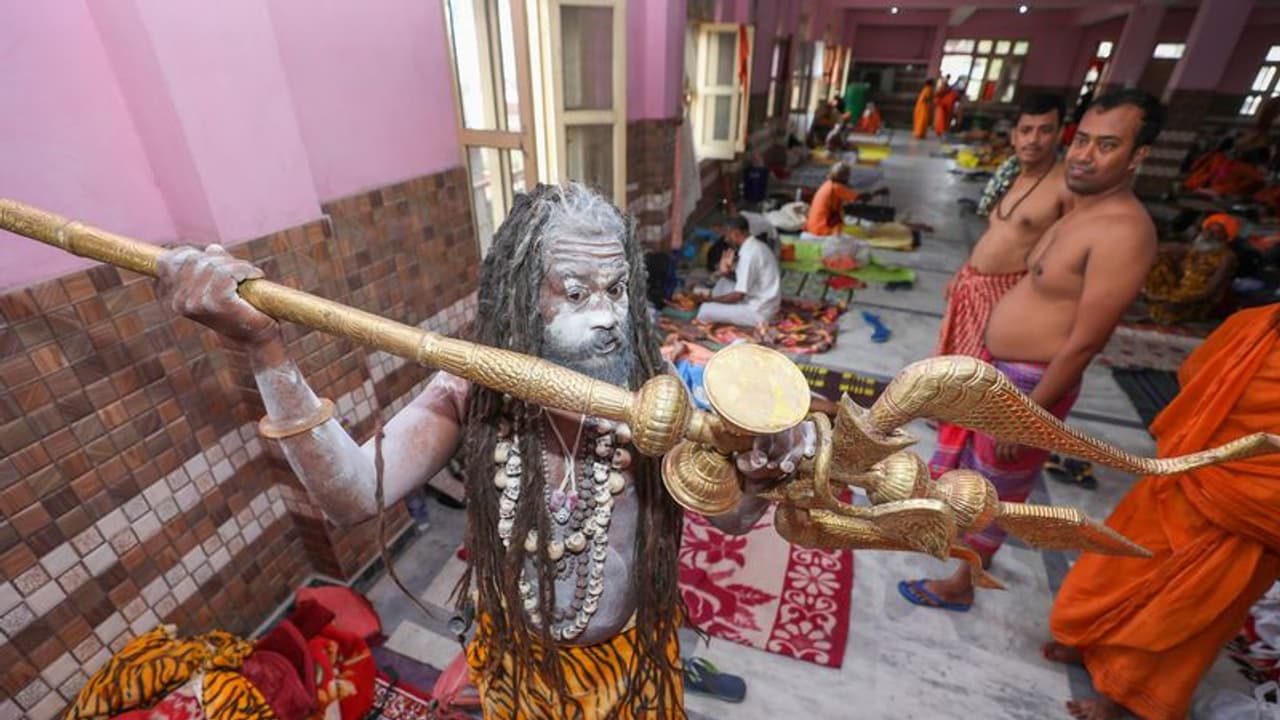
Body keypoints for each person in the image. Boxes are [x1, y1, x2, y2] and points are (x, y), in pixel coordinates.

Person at [153, 183, 812, 719]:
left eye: (617, 291)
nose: (607, 315)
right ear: (522, 296)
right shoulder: (472, 391)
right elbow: (353, 495)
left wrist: (763, 469)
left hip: (629, 670)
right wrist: (264, 352)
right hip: (517, 673)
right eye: (576, 292)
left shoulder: (654, 397)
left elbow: (730, 517)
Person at [899, 89, 1164, 612]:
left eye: (1107, 145)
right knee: (973, 475)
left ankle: (962, 585)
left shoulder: (1124, 231)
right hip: (1004, 371)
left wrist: (1026, 420)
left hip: (1029, 385)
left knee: (997, 490)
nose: (1085, 154)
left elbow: (1087, 341)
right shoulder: (1079, 210)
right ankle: (961, 557)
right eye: (1083, 140)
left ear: (1138, 156)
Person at [1044, 304, 1280, 720]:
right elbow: (1198, 372)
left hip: (1257, 503)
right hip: (1191, 472)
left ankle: (1121, 696)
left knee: (1186, 608)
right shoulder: (1257, 323)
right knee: (1120, 567)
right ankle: (1086, 640)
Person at [937, 93, 1072, 359]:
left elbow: (1067, 257)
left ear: (1060, 134)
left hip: (1007, 300)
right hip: (972, 289)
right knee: (952, 374)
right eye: (1026, 130)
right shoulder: (1014, 174)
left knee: (977, 381)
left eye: (1045, 131)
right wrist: (964, 273)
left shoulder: (1064, 186)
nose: (1033, 139)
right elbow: (998, 234)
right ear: (1014, 136)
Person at [1143, 213, 1239, 325]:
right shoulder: (1195, 248)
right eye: (1208, 230)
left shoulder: (1227, 257)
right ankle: (1155, 297)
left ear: (1225, 237)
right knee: (1160, 258)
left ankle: (1163, 305)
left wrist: (1181, 301)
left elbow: (1210, 290)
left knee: (1166, 311)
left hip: (1197, 299)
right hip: (1177, 291)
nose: (1210, 234)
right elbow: (1163, 248)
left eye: (1217, 232)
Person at [695, 216, 781, 327]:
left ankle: (721, 312)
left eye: (727, 235)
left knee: (704, 310)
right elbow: (745, 280)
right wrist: (726, 273)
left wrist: (711, 301)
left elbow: (738, 296)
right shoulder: (756, 246)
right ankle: (723, 309)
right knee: (723, 283)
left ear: (735, 233)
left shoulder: (748, 255)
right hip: (761, 299)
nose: (726, 239)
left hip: (759, 311)